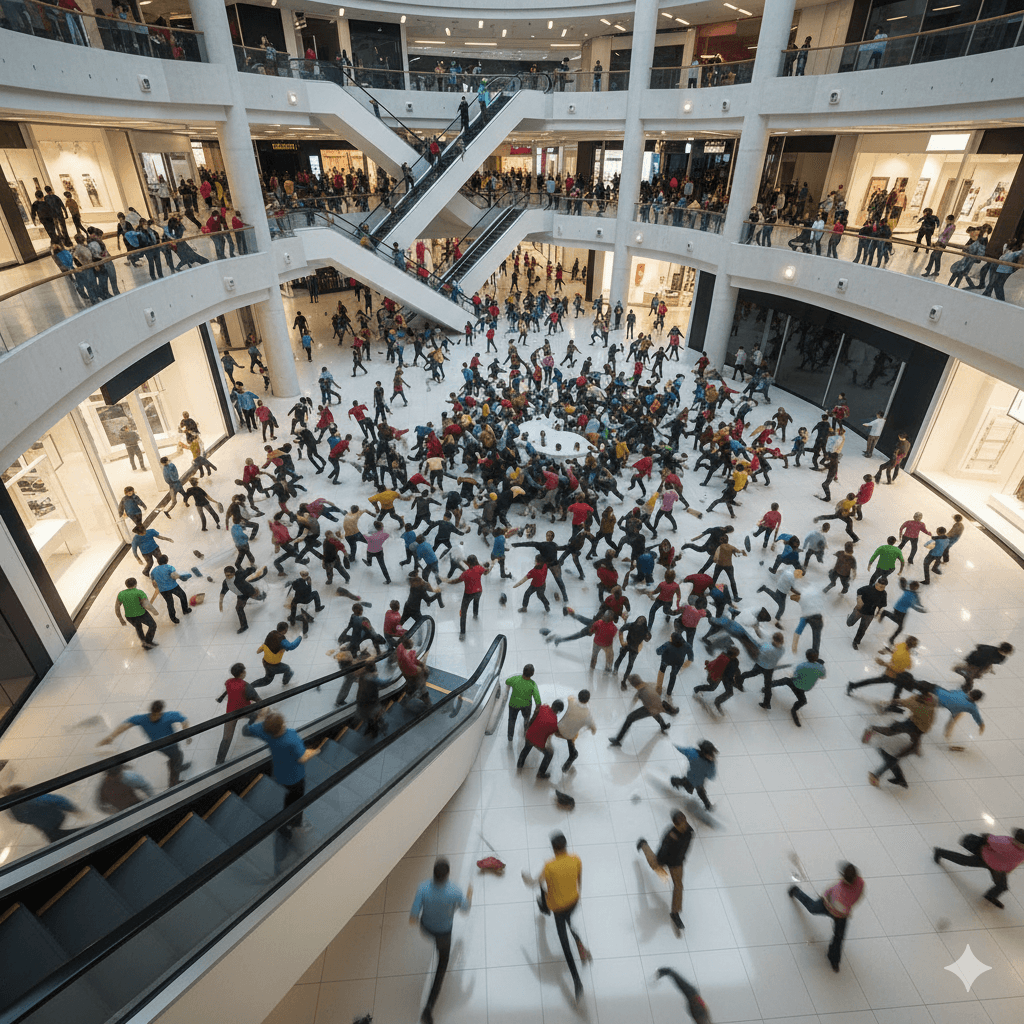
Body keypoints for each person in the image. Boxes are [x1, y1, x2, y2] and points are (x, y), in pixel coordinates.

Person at [409, 858, 473, 1024]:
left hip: (426, 928)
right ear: (447, 875)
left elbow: (413, 918)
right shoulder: (455, 891)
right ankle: (428, 1008)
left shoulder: (422, 888)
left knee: (437, 943)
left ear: (433, 874)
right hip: (444, 933)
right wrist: (469, 895)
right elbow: (466, 910)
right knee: (442, 965)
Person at [528, 832, 588, 1002]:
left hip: (558, 908)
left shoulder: (549, 866)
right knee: (572, 924)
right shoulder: (576, 859)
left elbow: (537, 882)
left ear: (553, 848)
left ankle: (577, 981)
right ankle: (583, 950)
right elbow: (579, 880)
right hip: (574, 900)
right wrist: (577, 895)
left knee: (564, 942)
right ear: (566, 845)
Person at [242, 710, 319, 837]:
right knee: (297, 799)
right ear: (282, 725)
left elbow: (245, 731)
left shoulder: (263, 730)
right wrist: (314, 751)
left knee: (290, 796)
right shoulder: (291, 737)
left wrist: (255, 717)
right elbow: (302, 757)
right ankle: (295, 823)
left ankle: (288, 817)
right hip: (295, 776)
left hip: (279, 773)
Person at [788, 862, 864, 971]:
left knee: (838, 938)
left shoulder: (857, 884)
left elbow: (852, 897)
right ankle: (796, 891)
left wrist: (843, 909)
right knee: (812, 908)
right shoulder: (847, 886)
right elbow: (828, 895)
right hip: (831, 909)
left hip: (841, 915)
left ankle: (834, 959)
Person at [99, 699, 191, 787]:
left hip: (158, 746)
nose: (154, 717)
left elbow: (126, 725)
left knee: (175, 757)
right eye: (155, 715)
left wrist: (112, 737)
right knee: (178, 756)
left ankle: (176, 765)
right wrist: (187, 734)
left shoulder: (144, 718)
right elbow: (184, 720)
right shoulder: (167, 716)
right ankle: (173, 783)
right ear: (160, 711)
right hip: (170, 746)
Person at [933, 829, 1024, 908]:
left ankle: (990, 896)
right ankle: (940, 852)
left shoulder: (1017, 848)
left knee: (1002, 886)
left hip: (999, 868)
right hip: (985, 858)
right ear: (1017, 841)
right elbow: (988, 837)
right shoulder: (1005, 843)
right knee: (964, 861)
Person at [636, 810, 693, 930]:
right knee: (654, 865)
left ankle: (675, 913)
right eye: (681, 824)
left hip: (677, 863)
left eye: (685, 822)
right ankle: (643, 844)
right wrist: (660, 866)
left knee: (678, 886)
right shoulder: (670, 835)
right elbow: (662, 851)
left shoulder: (689, 832)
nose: (685, 825)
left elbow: (686, 847)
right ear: (676, 825)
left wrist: (682, 858)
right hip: (665, 858)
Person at [609, 674, 672, 745]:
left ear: (634, 684)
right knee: (654, 712)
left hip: (651, 707)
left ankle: (618, 740)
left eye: (631, 683)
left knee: (630, 718)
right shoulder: (645, 684)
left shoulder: (641, 691)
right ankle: (663, 726)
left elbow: (636, 697)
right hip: (656, 703)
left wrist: (630, 706)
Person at [3, 787, 80, 844]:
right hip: (55, 817)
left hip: (43, 824)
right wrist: (71, 808)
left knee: (55, 836)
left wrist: (33, 819)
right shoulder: (35, 798)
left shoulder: (14, 809)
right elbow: (57, 800)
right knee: (56, 835)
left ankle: (77, 836)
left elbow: (19, 819)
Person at [517, 699, 564, 778]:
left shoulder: (543, 707)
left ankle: (519, 764)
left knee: (526, 748)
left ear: (552, 705)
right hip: (538, 743)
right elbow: (553, 733)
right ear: (558, 711)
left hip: (529, 735)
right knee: (550, 753)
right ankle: (541, 773)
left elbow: (533, 718)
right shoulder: (554, 722)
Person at [670, 740, 718, 811]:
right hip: (698, 782)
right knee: (701, 793)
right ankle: (708, 806)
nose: (713, 755)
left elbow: (683, 750)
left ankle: (674, 781)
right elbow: (712, 776)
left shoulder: (693, 753)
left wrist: (674, 746)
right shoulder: (710, 765)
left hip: (690, 779)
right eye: (711, 753)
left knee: (688, 785)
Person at [556, 689, 596, 772]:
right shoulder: (587, 713)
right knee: (574, 754)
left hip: (558, 730)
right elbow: (592, 726)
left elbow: (570, 697)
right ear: (587, 700)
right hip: (569, 735)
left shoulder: (571, 701)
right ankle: (565, 768)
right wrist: (593, 730)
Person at [115, 576, 159, 649]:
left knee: (138, 627)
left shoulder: (121, 594)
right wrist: (154, 611)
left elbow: (117, 607)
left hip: (129, 617)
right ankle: (148, 642)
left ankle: (144, 642)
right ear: (135, 584)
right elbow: (146, 604)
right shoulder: (139, 592)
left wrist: (121, 619)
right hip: (142, 614)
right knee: (153, 625)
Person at [149, 554, 191, 624]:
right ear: (167, 560)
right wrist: (181, 577)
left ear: (158, 562)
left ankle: (173, 618)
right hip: (173, 587)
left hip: (163, 590)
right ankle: (185, 610)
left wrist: (157, 587)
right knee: (182, 596)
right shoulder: (169, 567)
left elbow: (153, 580)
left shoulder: (154, 570)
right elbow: (174, 575)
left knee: (170, 603)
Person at [505, 663, 541, 743]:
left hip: (513, 704)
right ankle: (525, 732)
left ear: (523, 671)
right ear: (532, 674)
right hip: (526, 705)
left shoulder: (515, 679)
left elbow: (507, 681)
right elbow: (537, 699)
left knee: (511, 720)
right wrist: (537, 707)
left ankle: (510, 736)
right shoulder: (532, 684)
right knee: (526, 718)